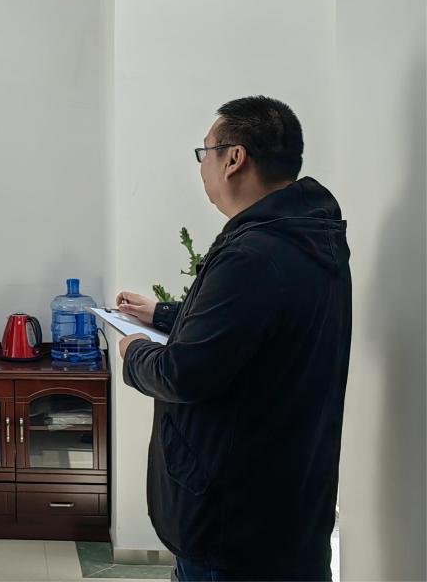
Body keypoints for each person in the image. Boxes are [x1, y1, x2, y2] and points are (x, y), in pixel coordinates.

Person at [115, 96, 351, 581]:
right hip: (285, 510)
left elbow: (182, 374)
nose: (201, 166)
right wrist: (161, 314)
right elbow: (257, 329)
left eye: (205, 152)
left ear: (234, 158)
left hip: (233, 529)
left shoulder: (252, 254)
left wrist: (132, 349)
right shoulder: (306, 235)